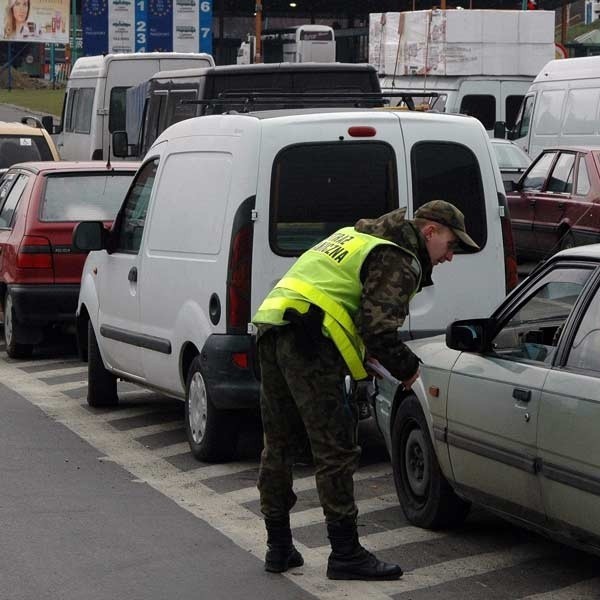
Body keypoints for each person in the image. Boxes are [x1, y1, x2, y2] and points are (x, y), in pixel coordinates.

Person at [252, 200, 479, 581]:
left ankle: (278, 547)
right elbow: (377, 329)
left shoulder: (359, 235)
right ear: (430, 232)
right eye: (452, 245)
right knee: (335, 450)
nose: (450, 257)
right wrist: (408, 370)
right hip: (310, 342)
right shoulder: (400, 259)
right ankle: (345, 554)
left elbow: (349, 309)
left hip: (273, 326)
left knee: (278, 443)